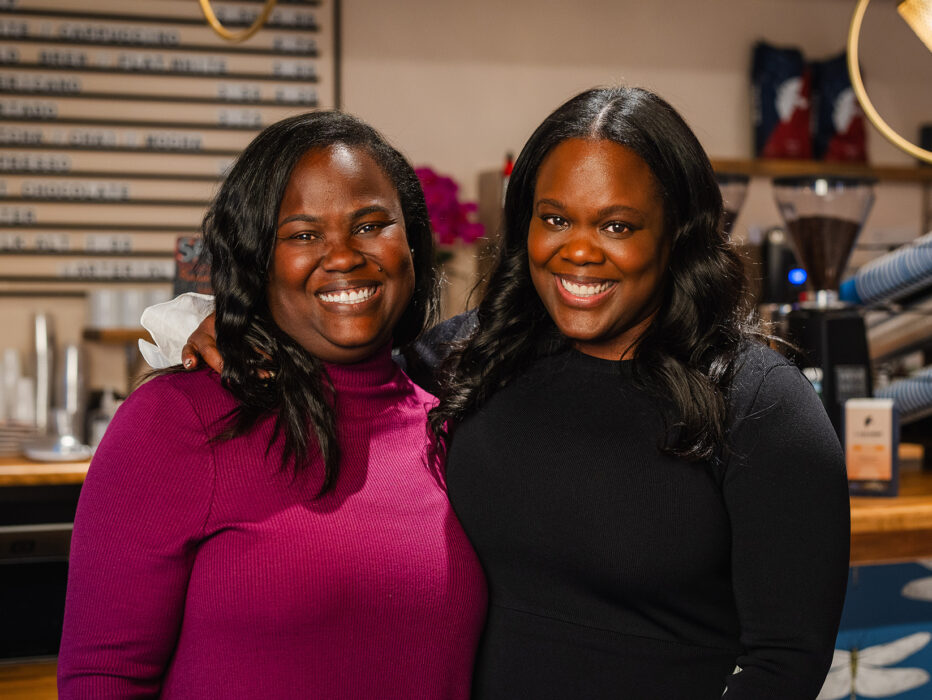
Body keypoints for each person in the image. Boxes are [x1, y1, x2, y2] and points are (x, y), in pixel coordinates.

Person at [155, 87, 850, 698]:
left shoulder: (763, 407)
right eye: (555, 219)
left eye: (617, 225)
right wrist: (191, 321)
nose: (578, 250)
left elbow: (786, 660)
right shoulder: (464, 360)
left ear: (677, 234)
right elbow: (333, 358)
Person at [57, 111, 487, 699]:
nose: (342, 256)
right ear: (258, 258)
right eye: (303, 234)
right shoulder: (178, 422)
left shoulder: (459, 423)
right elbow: (103, 679)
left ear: (412, 241)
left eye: (370, 225)